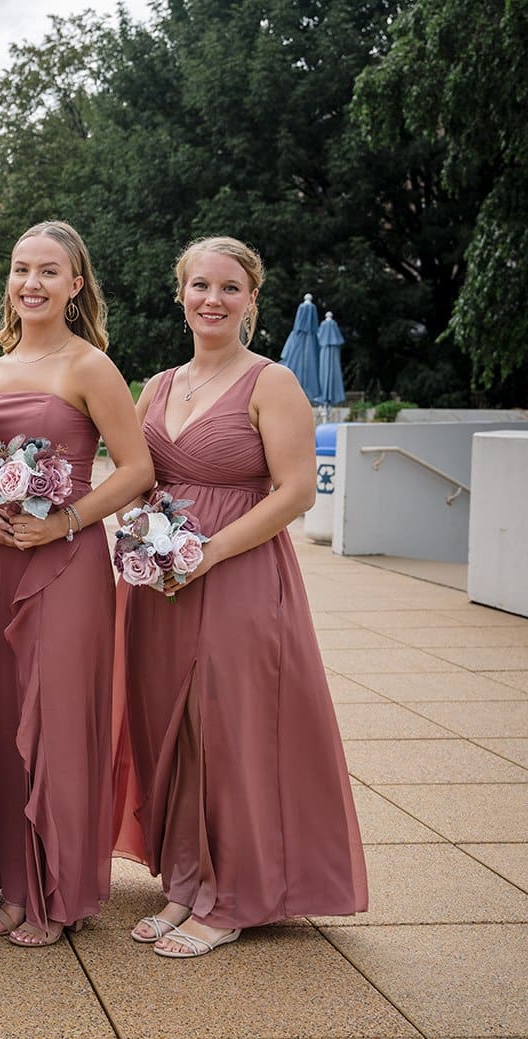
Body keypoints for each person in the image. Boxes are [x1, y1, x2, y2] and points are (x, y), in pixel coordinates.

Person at [122, 236, 366, 958]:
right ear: (181, 293)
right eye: (200, 285)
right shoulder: (159, 385)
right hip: (164, 582)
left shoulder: (272, 382)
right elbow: (138, 477)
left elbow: (293, 492)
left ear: (252, 300)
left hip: (240, 571)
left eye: (230, 288)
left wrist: (210, 552)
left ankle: (233, 897)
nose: (212, 300)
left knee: (231, 726)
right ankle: (189, 877)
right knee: (175, 726)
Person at [0, 221, 154, 947]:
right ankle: (12, 878)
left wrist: (65, 521)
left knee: (57, 718)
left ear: (75, 284)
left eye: (48, 271)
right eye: (20, 268)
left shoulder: (90, 366)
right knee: (1, 716)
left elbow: (135, 471)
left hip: (65, 562)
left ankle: (57, 890)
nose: (30, 282)